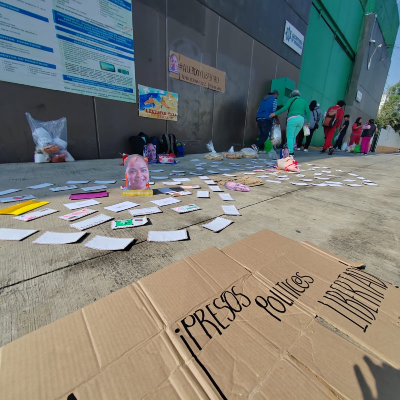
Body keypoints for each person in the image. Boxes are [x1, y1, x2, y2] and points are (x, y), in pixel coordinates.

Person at [270, 89, 310, 156]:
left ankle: (291, 152)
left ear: (292, 95)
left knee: (290, 136)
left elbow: (284, 108)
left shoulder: (291, 100)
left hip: (292, 119)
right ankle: (291, 150)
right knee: (294, 136)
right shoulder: (304, 101)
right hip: (301, 120)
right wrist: (308, 121)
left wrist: (275, 113)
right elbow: (308, 111)